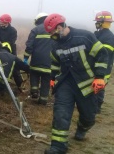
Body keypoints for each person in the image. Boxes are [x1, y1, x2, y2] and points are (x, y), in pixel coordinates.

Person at [43, 13, 109, 154]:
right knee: (61, 113)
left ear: (60, 27)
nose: (51, 36)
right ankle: (58, 146)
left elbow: (102, 54)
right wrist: (53, 78)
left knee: (89, 116)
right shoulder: (55, 44)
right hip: (65, 84)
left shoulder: (85, 36)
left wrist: (99, 76)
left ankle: (82, 127)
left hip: (86, 83)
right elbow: (55, 62)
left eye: (52, 32)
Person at [23, 12, 53, 105]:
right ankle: (43, 100)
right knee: (46, 80)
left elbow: (29, 46)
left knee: (34, 75)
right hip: (50, 61)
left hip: (36, 60)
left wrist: (25, 58)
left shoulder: (35, 30)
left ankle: (34, 92)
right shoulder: (53, 30)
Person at [0, 14, 24, 89]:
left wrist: (2, 45)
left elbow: (11, 41)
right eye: (0, 22)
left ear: (8, 22)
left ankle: (20, 85)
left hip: (11, 50)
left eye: (3, 22)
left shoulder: (13, 30)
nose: (1, 24)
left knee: (15, 67)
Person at [93, 11, 114, 113]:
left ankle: (96, 108)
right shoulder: (100, 34)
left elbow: (104, 54)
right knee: (96, 87)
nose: (96, 23)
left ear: (102, 22)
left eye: (97, 21)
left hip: (104, 68)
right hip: (100, 66)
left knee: (99, 87)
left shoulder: (108, 37)